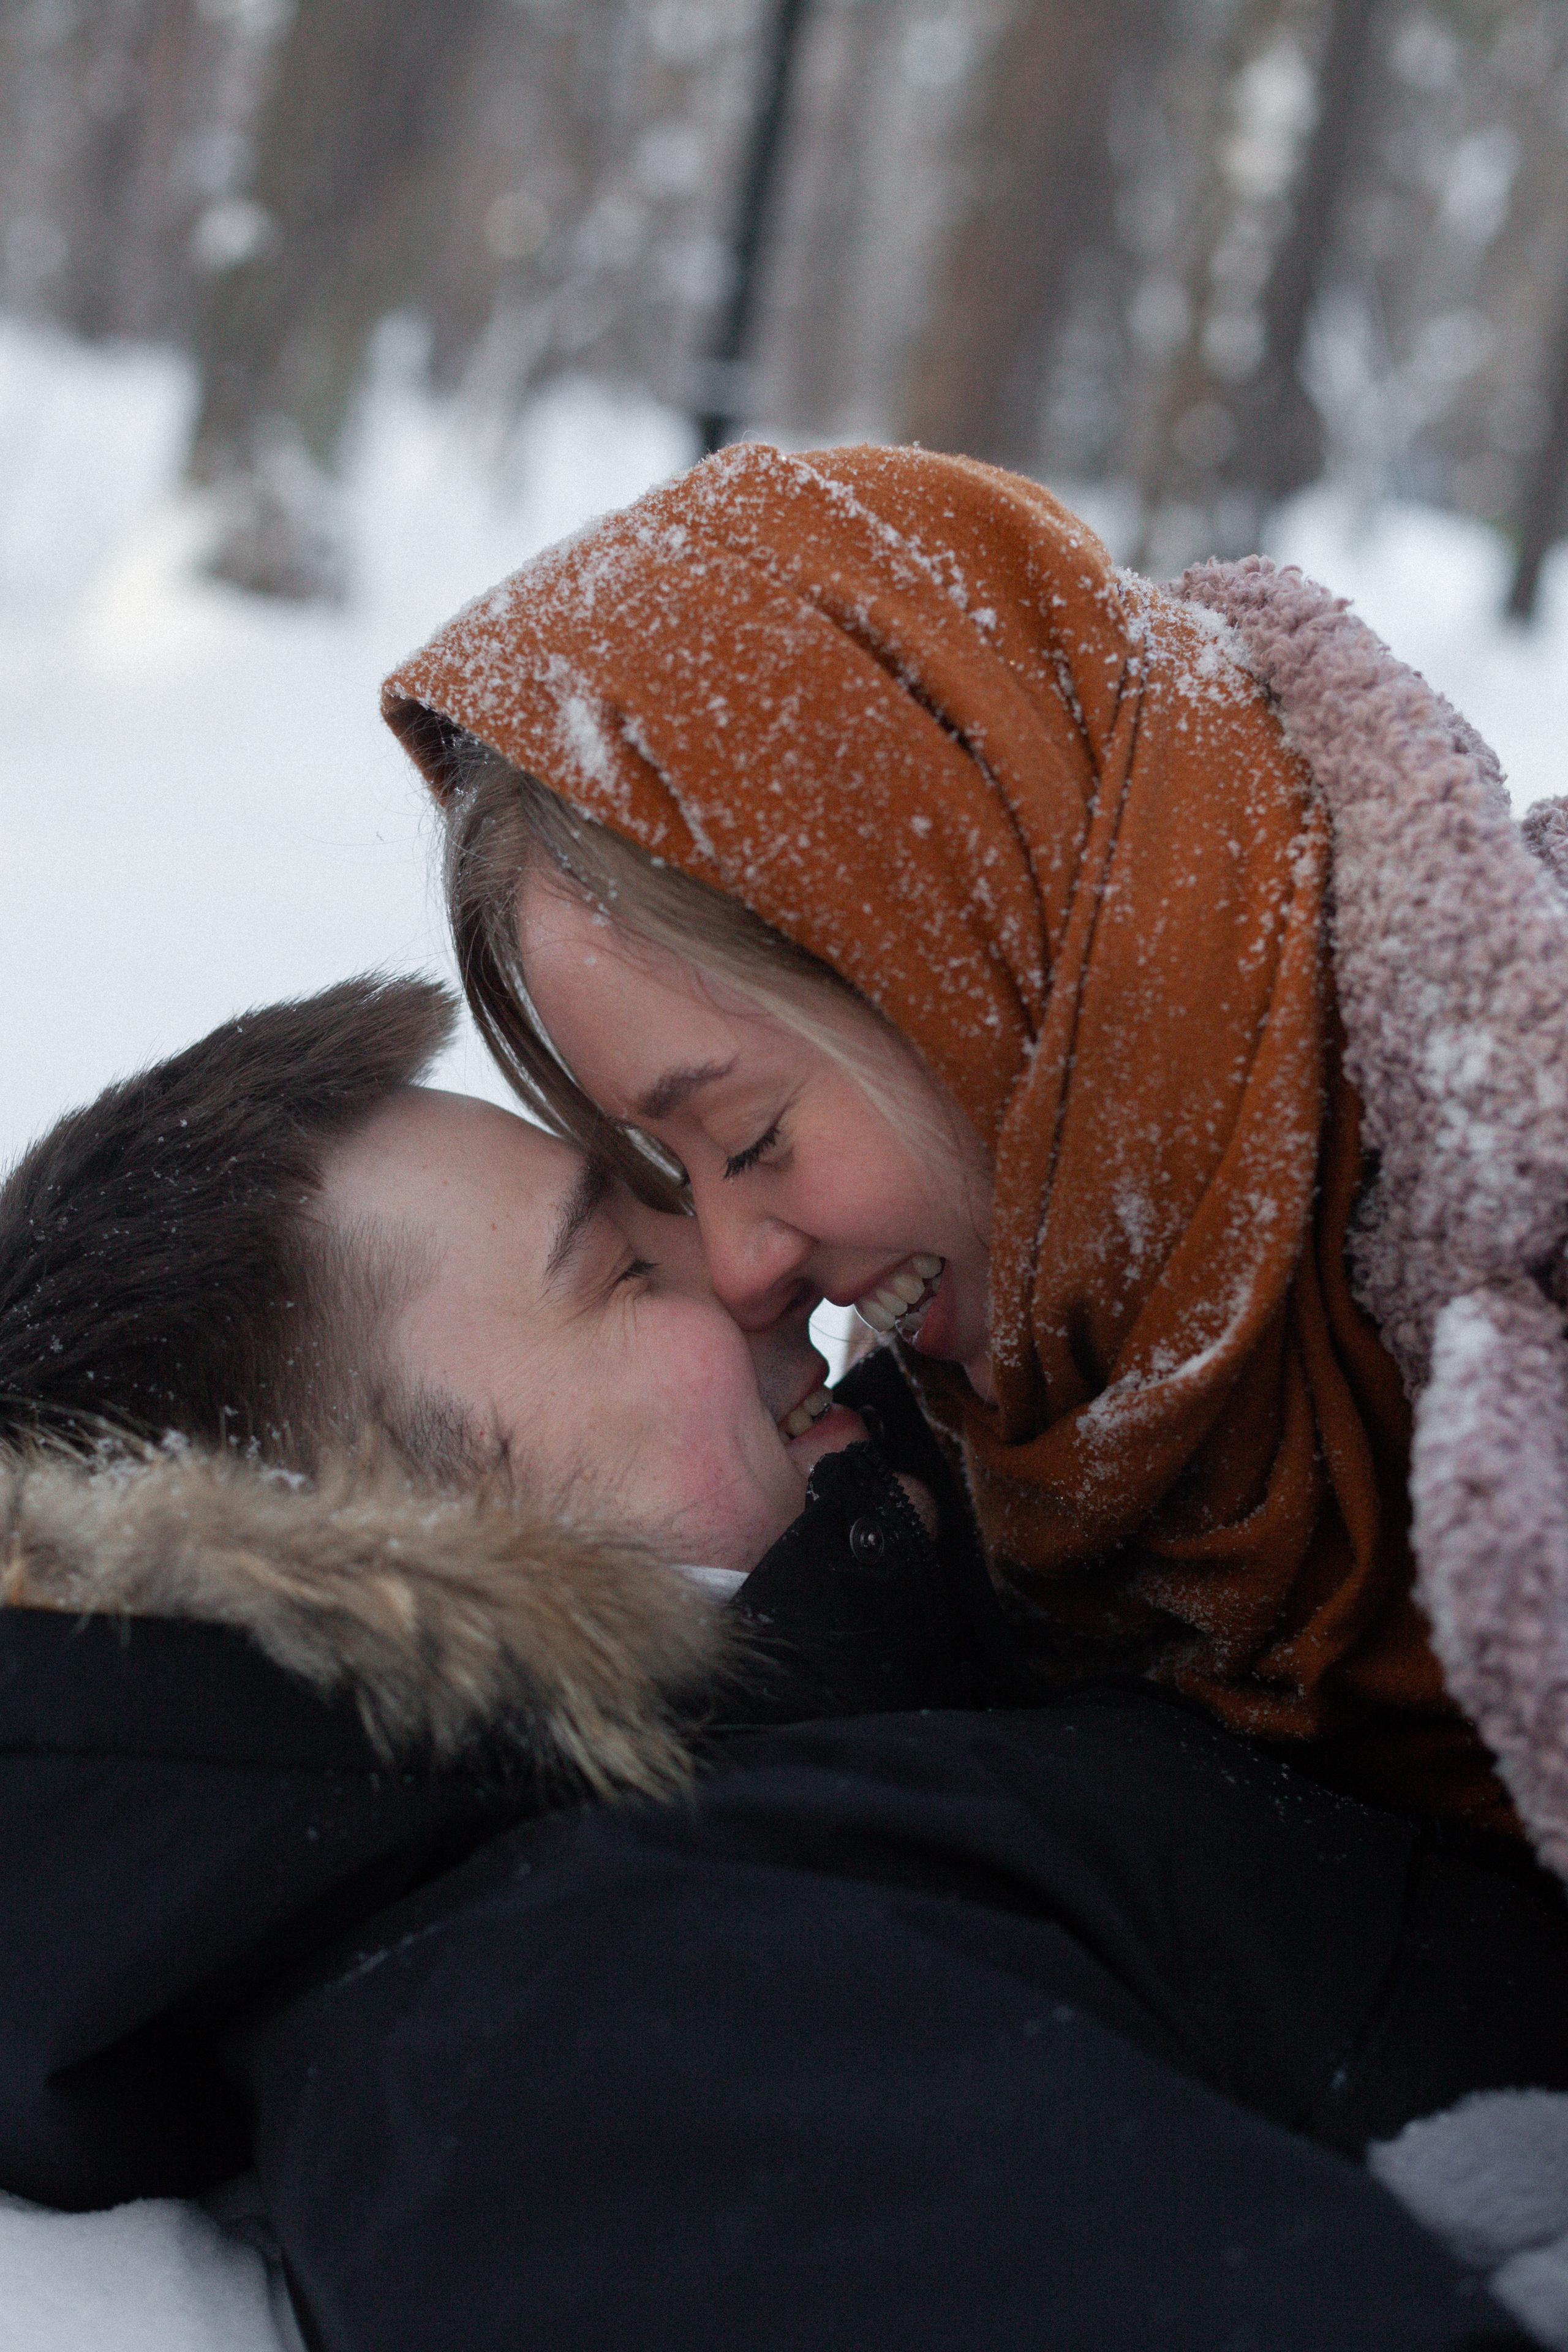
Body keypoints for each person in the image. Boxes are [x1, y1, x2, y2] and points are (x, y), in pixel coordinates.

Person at [6, 973, 1568, 2348]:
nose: (749, 1272)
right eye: (618, 1272)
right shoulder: (576, 2054)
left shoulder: (763, 1808)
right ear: (382, 1544)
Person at [382, 437, 1568, 1859]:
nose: (742, 1270)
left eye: (749, 1135)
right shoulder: (1016, 1496)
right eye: (669, 1165)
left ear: (994, 961)